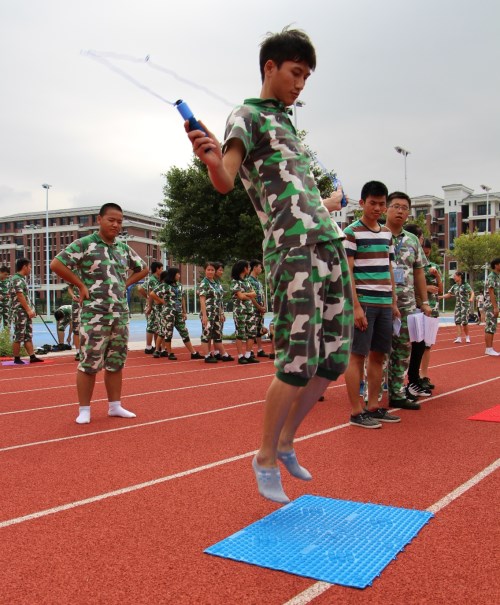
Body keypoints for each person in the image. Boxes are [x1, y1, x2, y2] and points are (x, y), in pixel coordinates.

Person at [185, 27, 352, 503]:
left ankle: (285, 441)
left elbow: (294, 190)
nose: (300, 84)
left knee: (334, 359)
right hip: (292, 249)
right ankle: (263, 456)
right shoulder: (247, 116)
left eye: (307, 77)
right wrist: (212, 160)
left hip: (328, 244)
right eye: (295, 73)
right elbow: (226, 180)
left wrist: (329, 204)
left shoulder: (287, 123)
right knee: (297, 362)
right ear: (270, 67)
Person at [50, 203, 148, 424]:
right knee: (89, 362)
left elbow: (143, 268)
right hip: (94, 313)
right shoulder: (85, 244)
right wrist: (80, 284)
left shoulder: (123, 248)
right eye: (111, 220)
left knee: (116, 361)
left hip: (119, 313)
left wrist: (125, 284)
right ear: (99, 219)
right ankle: (84, 409)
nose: (116, 225)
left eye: (119, 221)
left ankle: (115, 406)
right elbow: (56, 264)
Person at [343, 181, 401, 428]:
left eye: (381, 204)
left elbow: (389, 269)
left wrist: (394, 301)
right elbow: (347, 271)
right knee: (357, 356)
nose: (377, 208)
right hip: (364, 303)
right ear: (362, 203)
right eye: (372, 203)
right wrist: (355, 306)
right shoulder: (351, 232)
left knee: (378, 356)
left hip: (385, 304)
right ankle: (356, 411)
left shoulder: (387, 234)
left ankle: (374, 406)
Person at [385, 193, 432, 410]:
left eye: (405, 208)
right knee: (378, 350)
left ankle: (396, 393)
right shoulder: (377, 235)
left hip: (407, 304)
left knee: (403, 349)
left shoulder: (412, 240)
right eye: (396, 206)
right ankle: (372, 395)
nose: (400, 211)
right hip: (380, 302)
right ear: (386, 208)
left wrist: (424, 302)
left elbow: (419, 272)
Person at [10, 258, 44, 364]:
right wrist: (29, 310)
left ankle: (32, 356)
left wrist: (29, 310)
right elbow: (20, 295)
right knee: (19, 334)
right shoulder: (16, 279)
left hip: (24, 311)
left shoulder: (21, 279)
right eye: (29, 267)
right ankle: (16, 358)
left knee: (28, 334)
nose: (30, 269)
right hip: (19, 311)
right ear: (24, 267)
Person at [199, 261, 234, 363]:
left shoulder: (216, 283)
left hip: (217, 313)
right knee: (206, 334)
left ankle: (223, 354)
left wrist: (221, 313)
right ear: (205, 270)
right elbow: (202, 300)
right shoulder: (204, 283)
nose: (210, 272)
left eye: (212, 270)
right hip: (208, 313)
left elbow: (219, 300)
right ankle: (207, 355)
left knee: (217, 334)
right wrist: (204, 316)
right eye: (208, 270)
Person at [419, 238, 443, 388]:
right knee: (412, 345)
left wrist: (437, 276)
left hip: (432, 309)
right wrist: (425, 288)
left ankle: (423, 375)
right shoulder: (413, 266)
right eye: (423, 252)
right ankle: (410, 377)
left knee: (427, 344)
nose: (425, 255)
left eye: (427, 252)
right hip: (417, 307)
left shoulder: (434, 266)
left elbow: (441, 290)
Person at [231, 259, 260, 365]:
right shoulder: (235, 282)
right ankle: (240, 356)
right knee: (240, 334)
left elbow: (254, 294)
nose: (249, 269)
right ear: (244, 268)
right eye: (248, 267)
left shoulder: (247, 281)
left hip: (250, 311)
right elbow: (241, 296)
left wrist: (246, 294)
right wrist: (248, 295)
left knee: (252, 333)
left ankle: (248, 355)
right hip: (240, 312)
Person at [440, 271, 474, 343]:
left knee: (464, 322)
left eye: (455, 276)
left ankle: (467, 336)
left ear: (459, 276)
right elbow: (449, 295)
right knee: (457, 321)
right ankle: (459, 338)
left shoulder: (466, 285)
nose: (454, 278)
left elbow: (472, 292)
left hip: (465, 305)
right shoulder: (454, 286)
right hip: (458, 306)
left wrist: (471, 298)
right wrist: (440, 297)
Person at [137, 261, 163, 354]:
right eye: (161, 268)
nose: (162, 270)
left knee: (156, 326)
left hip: (153, 306)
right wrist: (149, 300)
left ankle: (157, 346)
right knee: (151, 326)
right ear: (157, 269)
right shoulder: (153, 280)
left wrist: (147, 296)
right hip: (152, 306)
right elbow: (152, 293)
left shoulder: (154, 279)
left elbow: (140, 288)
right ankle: (148, 347)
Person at [247, 259, 269, 358]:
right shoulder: (249, 281)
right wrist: (259, 307)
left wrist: (264, 306)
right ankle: (250, 350)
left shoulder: (258, 282)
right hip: (253, 309)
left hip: (260, 309)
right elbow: (251, 297)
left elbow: (262, 294)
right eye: (260, 267)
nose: (261, 269)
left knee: (259, 329)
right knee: (252, 329)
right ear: (255, 267)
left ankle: (260, 350)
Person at [483, 257, 500, 356]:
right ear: (496, 265)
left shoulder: (497, 276)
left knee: (492, 326)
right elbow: (491, 291)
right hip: (491, 305)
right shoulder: (491, 276)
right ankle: (488, 349)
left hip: (495, 304)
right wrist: (495, 307)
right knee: (490, 326)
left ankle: (490, 348)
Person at [67, 283, 82, 360]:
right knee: (76, 329)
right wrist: (73, 295)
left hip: (89, 302)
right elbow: (70, 287)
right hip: (76, 304)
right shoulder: (75, 275)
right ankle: (78, 352)